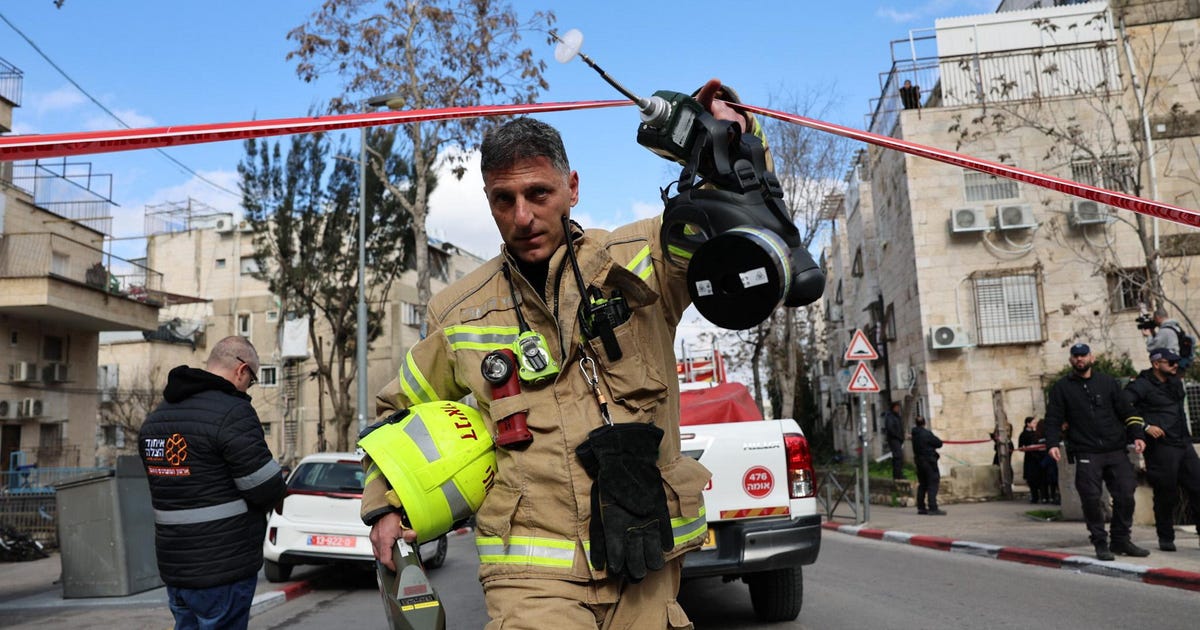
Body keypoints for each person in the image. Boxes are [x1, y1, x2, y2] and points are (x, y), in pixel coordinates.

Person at [361, 80, 761, 628]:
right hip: (529, 577)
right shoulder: (456, 312)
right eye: (505, 199)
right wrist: (385, 504)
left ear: (571, 186)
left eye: (538, 194)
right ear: (490, 202)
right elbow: (396, 417)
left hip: (646, 557)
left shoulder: (643, 258)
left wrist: (728, 136)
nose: (522, 216)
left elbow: (742, 226)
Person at [138, 336, 285, 630]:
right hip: (223, 568)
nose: (248, 388)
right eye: (252, 380)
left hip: (176, 568)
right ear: (241, 371)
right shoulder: (232, 412)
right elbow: (266, 486)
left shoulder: (158, 418)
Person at [1044, 343, 1148, 561]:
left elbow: (1127, 411)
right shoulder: (1061, 388)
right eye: (1076, 356)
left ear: (1092, 357)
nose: (1080, 359)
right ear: (1071, 360)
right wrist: (1052, 443)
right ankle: (1100, 542)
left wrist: (1137, 434)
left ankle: (1121, 540)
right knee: (1091, 499)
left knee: (1126, 494)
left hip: (1115, 449)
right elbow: (1053, 418)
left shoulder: (1108, 383)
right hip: (1086, 451)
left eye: (1083, 355)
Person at [1123, 348, 1200, 552]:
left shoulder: (1174, 382)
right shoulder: (1141, 385)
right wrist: (1145, 426)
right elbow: (1123, 406)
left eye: (1176, 362)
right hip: (1161, 447)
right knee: (1166, 492)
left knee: (1198, 487)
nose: (1175, 365)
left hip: (1183, 442)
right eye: (1170, 362)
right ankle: (1166, 537)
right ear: (1156, 364)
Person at [911, 415, 945, 515]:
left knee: (922, 484)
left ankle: (921, 507)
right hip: (929, 462)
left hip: (919, 461)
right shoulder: (926, 433)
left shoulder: (915, 434)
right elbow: (938, 443)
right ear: (924, 423)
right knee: (932, 483)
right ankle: (933, 507)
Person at [1018, 417, 1046, 504]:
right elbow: (1020, 447)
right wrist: (1026, 448)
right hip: (1030, 458)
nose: (1035, 424)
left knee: (1041, 478)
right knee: (1031, 478)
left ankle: (1044, 496)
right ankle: (1035, 497)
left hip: (1039, 457)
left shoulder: (1038, 433)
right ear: (1028, 424)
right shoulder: (1023, 434)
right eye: (1033, 422)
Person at [882, 401, 905, 479]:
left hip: (897, 439)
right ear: (894, 407)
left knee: (899, 457)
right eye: (897, 407)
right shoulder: (890, 416)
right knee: (898, 457)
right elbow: (891, 429)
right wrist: (898, 436)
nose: (898, 409)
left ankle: (898, 474)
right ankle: (897, 475)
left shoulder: (896, 416)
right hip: (894, 439)